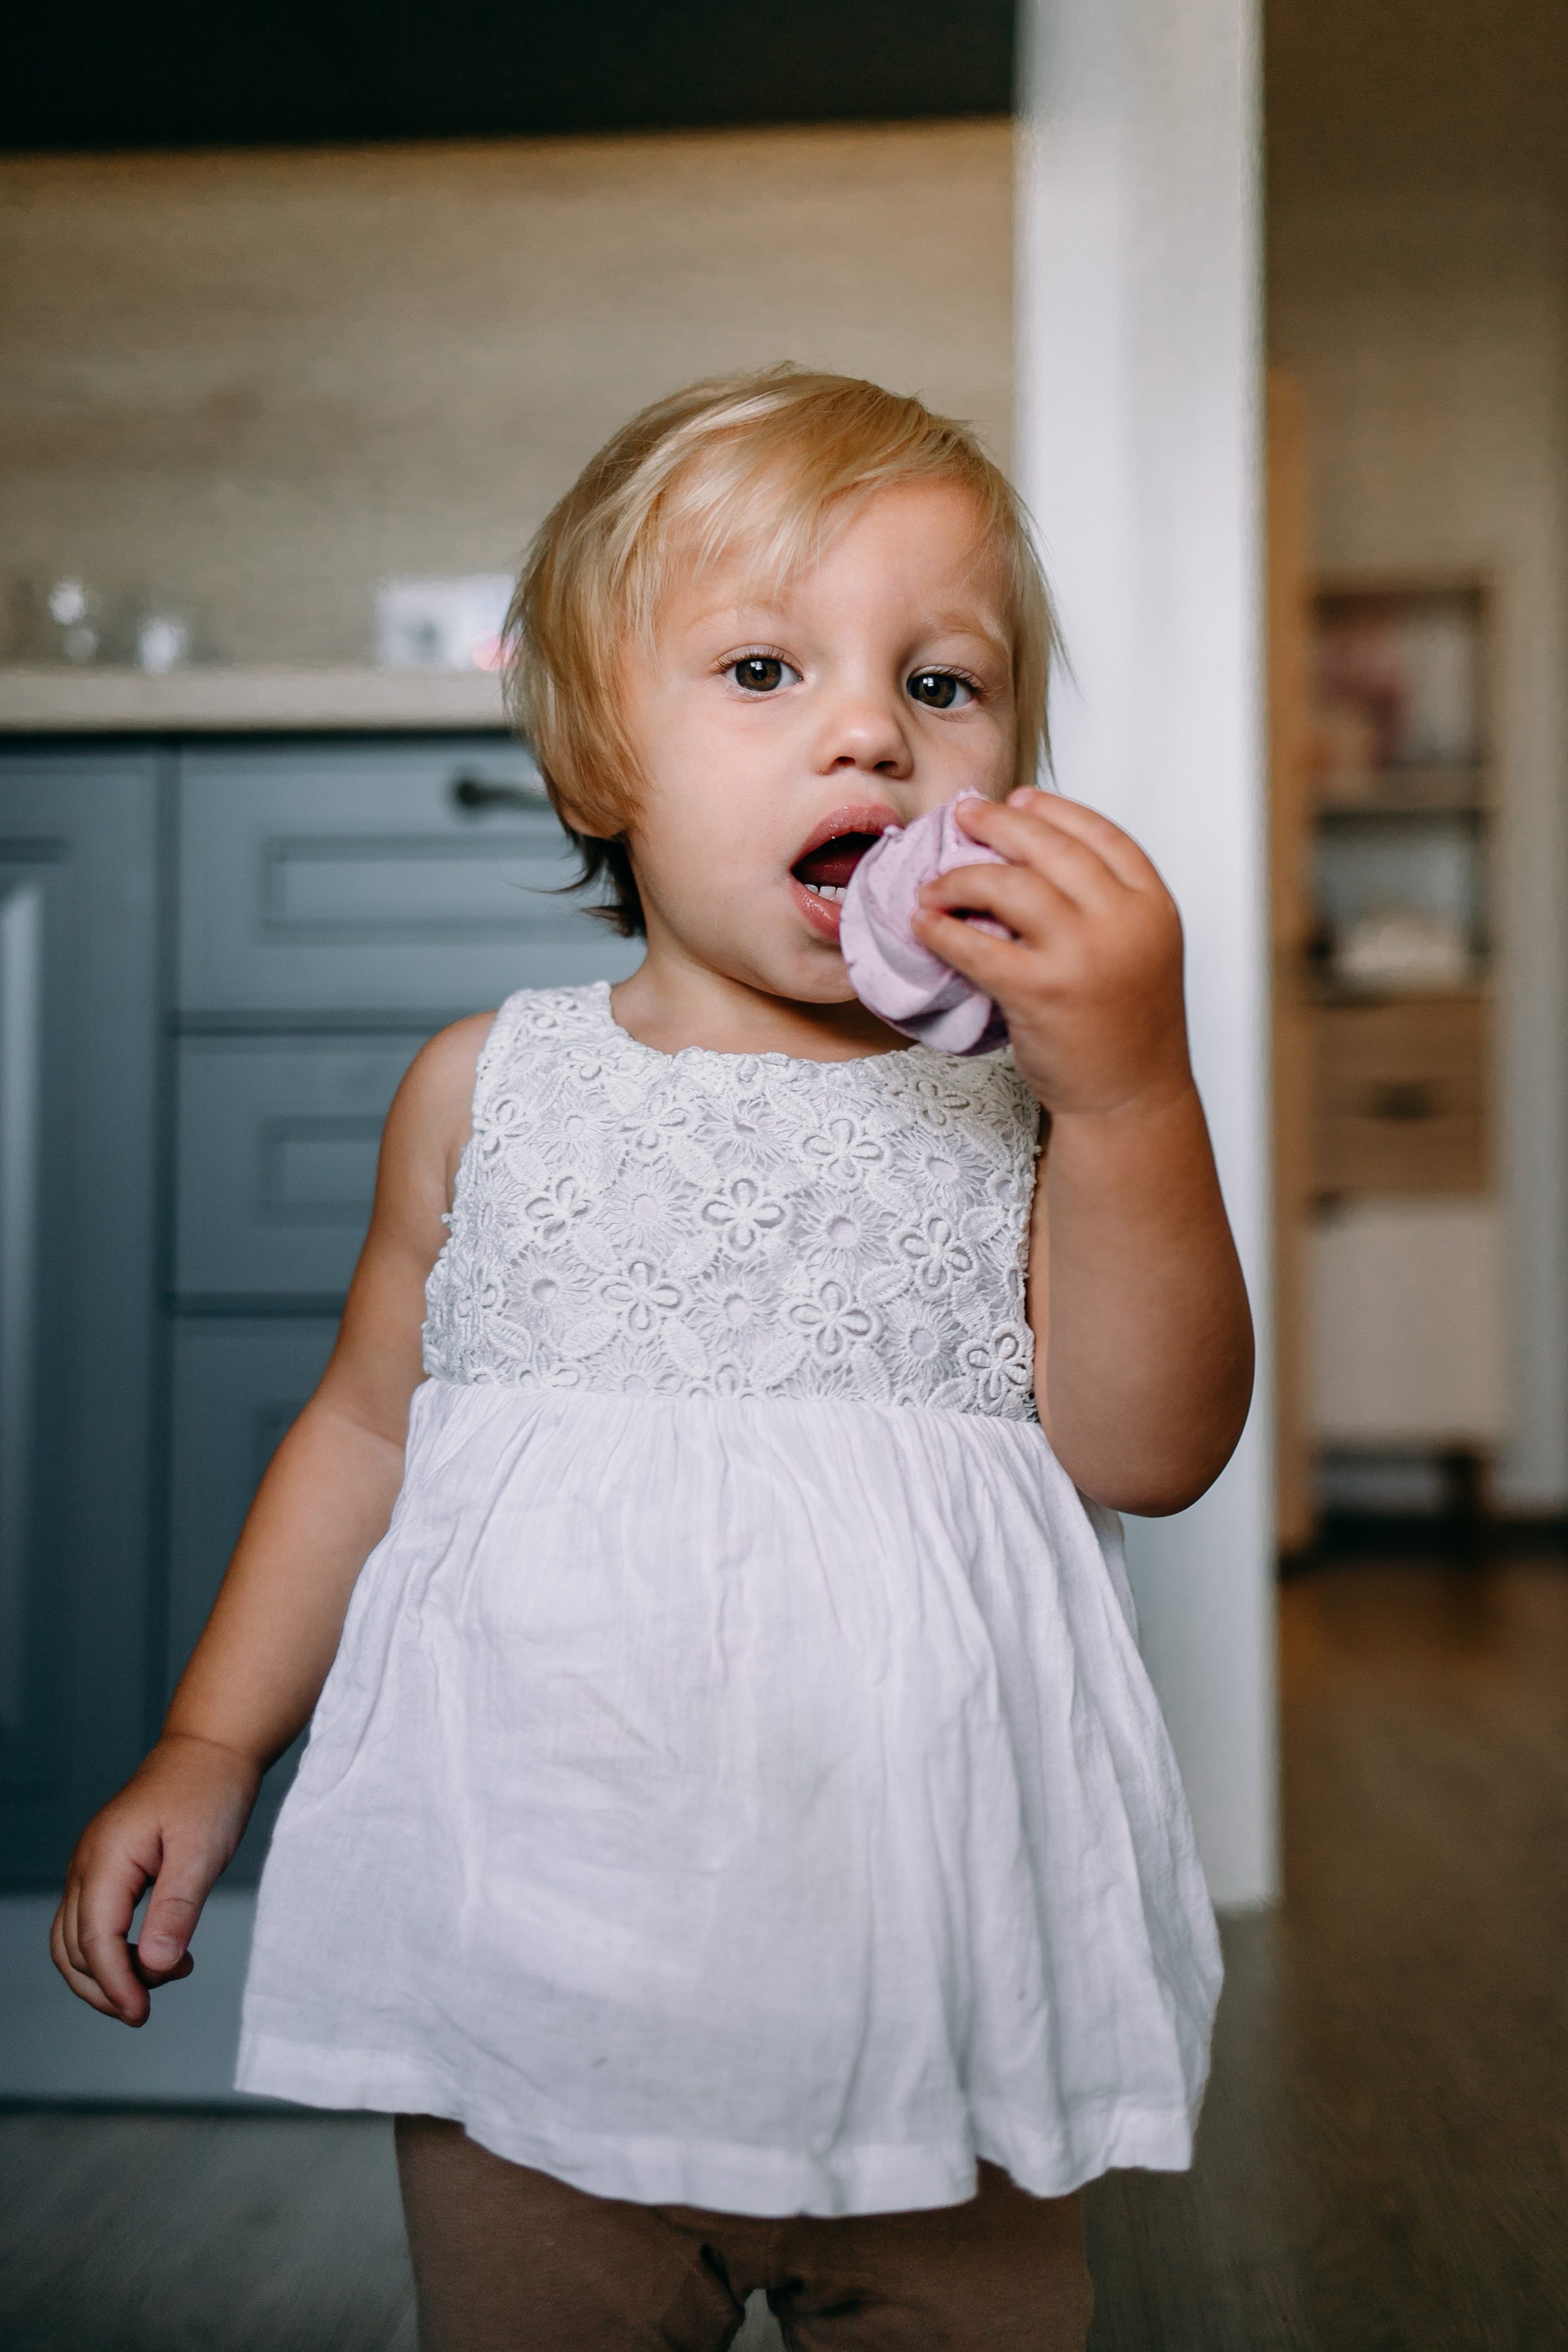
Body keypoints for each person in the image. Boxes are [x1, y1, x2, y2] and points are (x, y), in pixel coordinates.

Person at [51, 368, 1253, 2350]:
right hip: (540, 1972)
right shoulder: (488, 1093)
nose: (870, 726)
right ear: (603, 746)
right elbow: (364, 1433)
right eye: (767, 667)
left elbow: (1152, 1451)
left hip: (939, 1987)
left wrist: (1132, 1097)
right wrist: (209, 1743)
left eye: (942, 686)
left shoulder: (1039, 1116)